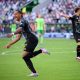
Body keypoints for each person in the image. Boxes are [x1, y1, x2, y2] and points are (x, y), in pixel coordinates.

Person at [4, 10, 49, 77]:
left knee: (24, 56)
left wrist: (12, 33)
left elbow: (20, 29)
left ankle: (41, 51)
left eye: (16, 14)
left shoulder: (23, 21)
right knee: (25, 57)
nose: (14, 15)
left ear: (20, 14)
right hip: (31, 40)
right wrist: (10, 44)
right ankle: (35, 72)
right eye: (14, 14)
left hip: (31, 39)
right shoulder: (20, 24)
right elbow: (18, 38)